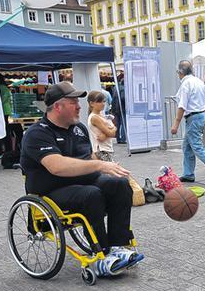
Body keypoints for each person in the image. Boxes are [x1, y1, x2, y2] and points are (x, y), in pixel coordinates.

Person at [20, 81, 144, 276]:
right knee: (91, 194)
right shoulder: (37, 133)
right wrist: (100, 165)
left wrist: (111, 169)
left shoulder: (79, 129)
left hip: (84, 181)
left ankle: (118, 246)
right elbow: (57, 167)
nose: (79, 106)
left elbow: (89, 158)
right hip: (50, 191)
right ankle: (100, 256)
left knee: (119, 184)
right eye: (73, 102)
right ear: (58, 107)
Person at [87, 91, 116, 162]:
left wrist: (107, 134)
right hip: (102, 149)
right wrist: (110, 131)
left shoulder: (101, 116)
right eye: (99, 102)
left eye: (104, 101)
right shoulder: (95, 118)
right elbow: (111, 133)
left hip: (105, 148)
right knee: (113, 171)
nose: (103, 104)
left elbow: (112, 131)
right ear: (91, 103)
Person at [111, 74, 127, 143]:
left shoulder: (115, 88)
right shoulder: (123, 88)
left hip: (115, 108)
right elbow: (123, 98)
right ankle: (123, 139)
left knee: (117, 124)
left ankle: (118, 138)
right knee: (124, 124)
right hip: (122, 108)